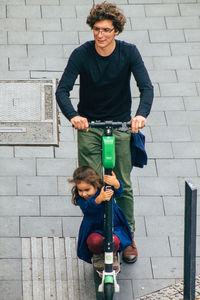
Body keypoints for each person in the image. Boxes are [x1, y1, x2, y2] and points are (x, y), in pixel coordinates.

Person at [56, 1, 154, 263]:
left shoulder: (129, 53)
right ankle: (97, 233)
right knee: (89, 184)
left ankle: (128, 236)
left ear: (116, 31)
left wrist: (140, 115)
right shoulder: (82, 54)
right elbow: (62, 90)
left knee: (122, 183)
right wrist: (74, 116)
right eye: (97, 29)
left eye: (107, 30)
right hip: (90, 126)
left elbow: (146, 87)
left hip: (120, 125)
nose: (100, 35)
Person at [69, 166, 132, 270]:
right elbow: (87, 208)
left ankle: (113, 253)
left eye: (87, 190)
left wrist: (115, 183)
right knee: (94, 241)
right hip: (94, 228)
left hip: (113, 225)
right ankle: (97, 255)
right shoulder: (81, 198)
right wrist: (98, 199)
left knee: (114, 241)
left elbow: (118, 192)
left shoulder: (104, 188)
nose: (84, 194)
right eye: (80, 190)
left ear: (96, 184)